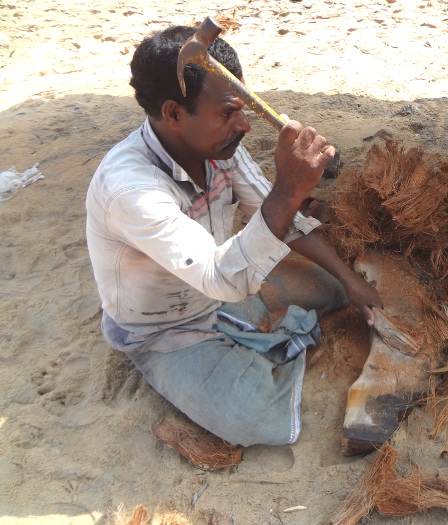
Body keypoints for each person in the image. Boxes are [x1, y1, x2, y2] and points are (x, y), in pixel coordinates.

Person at [85, 25, 382, 447]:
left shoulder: (219, 146)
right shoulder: (132, 191)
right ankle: (194, 359)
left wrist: (352, 283)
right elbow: (223, 279)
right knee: (262, 422)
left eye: (242, 109)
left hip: (220, 291)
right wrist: (289, 188)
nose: (243, 124)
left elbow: (284, 218)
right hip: (165, 332)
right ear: (173, 113)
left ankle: (269, 324)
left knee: (333, 289)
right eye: (227, 113)